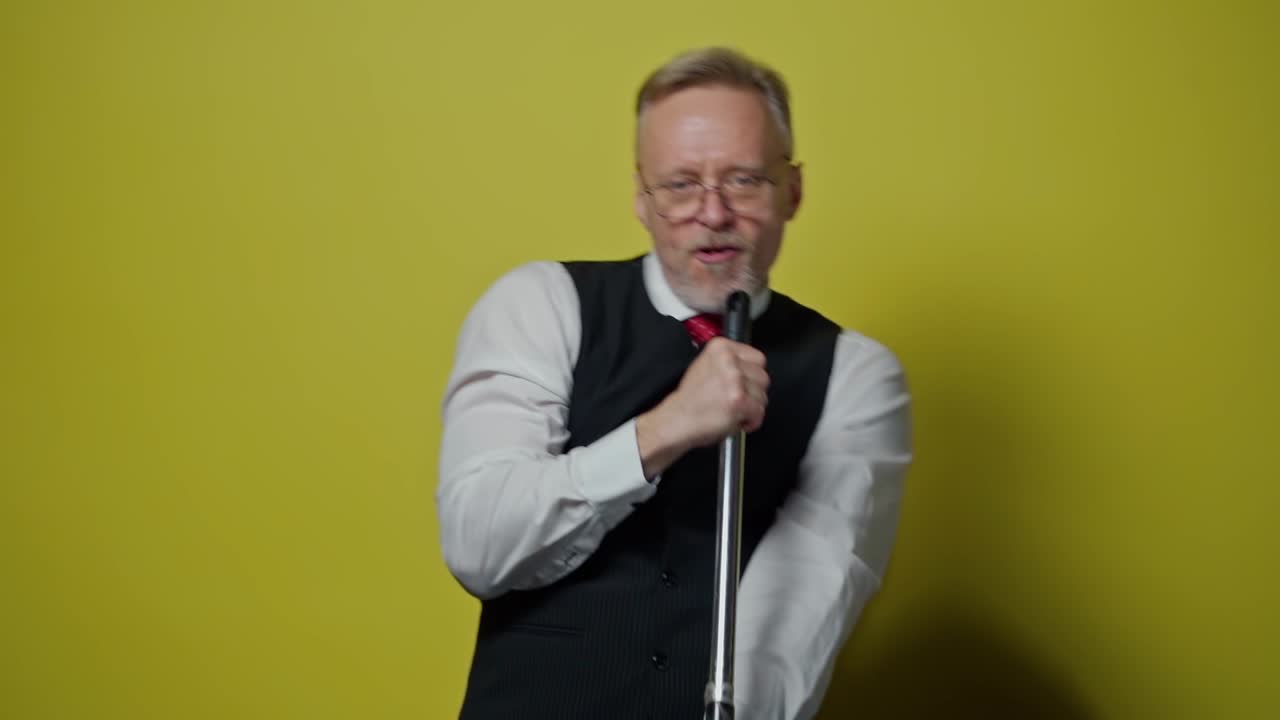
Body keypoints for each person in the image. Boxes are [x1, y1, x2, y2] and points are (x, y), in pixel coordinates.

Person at [436, 47, 912, 720]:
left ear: (793, 191)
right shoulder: (540, 304)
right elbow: (480, 548)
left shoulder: (855, 376)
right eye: (682, 184)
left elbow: (801, 614)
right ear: (642, 197)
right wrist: (664, 430)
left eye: (744, 180)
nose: (713, 213)